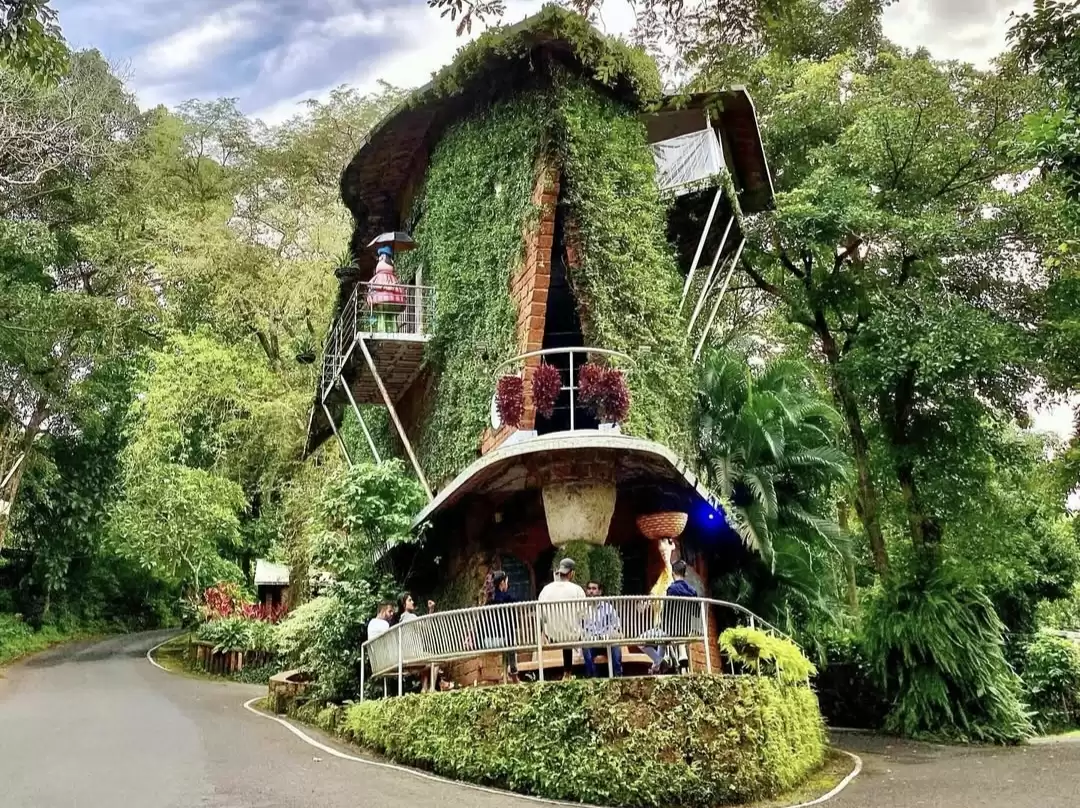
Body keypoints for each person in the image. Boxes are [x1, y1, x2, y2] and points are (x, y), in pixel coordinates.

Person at [645, 559, 698, 674]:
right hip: (685, 630)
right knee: (663, 640)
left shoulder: (672, 589)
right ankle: (657, 667)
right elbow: (696, 613)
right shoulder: (693, 591)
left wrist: (660, 624)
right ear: (685, 574)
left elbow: (667, 612)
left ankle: (659, 661)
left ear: (673, 573)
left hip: (671, 631)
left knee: (641, 641)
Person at [538, 558, 586, 680]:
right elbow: (584, 615)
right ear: (571, 573)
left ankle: (565, 674)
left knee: (565, 629)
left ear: (560, 571)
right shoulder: (577, 589)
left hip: (552, 636)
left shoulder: (546, 590)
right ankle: (568, 673)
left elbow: (541, 616)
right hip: (572, 637)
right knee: (573, 630)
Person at [395, 592, 438, 691]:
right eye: (409, 600)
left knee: (426, 660)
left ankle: (424, 688)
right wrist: (431, 610)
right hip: (414, 655)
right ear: (403, 604)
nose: (413, 602)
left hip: (405, 657)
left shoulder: (401, 620)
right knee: (435, 660)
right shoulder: (411, 617)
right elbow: (426, 629)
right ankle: (431, 688)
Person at [582, 580, 622, 678]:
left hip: (606, 640)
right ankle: (591, 678)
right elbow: (579, 627)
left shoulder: (608, 607)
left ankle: (618, 677)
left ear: (600, 591)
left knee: (616, 645)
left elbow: (616, 625)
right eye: (589, 589)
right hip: (591, 641)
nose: (591, 591)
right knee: (585, 647)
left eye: (594, 588)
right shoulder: (583, 608)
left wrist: (611, 634)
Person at [486, 570, 519, 682]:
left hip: (488, 641)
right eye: (506, 582)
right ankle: (514, 673)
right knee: (509, 634)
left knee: (507, 632)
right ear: (502, 583)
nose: (507, 584)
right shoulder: (508, 598)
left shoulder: (489, 600)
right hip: (504, 640)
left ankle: (505, 675)